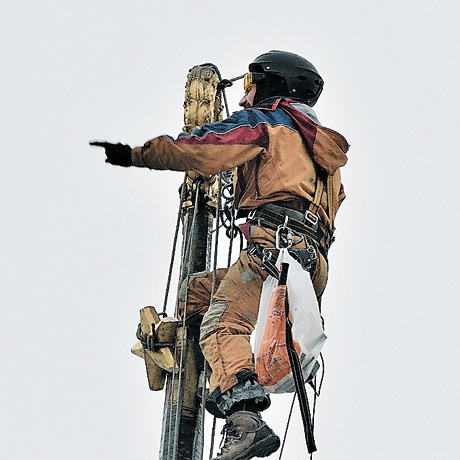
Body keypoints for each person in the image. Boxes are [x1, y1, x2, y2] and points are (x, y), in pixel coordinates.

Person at [91, 50, 349, 460]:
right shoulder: (321, 152)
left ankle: (244, 419)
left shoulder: (269, 123)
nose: (245, 98)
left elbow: (206, 147)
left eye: (250, 86)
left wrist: (136, 154)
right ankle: (214, 374)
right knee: (196, 294)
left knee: (219, 324)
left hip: (273, 246)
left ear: (271, 84)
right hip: (309, 261)